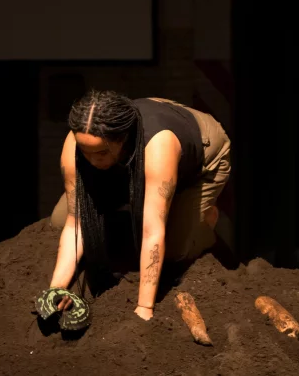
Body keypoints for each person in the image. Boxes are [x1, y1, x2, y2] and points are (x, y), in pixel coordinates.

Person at [46, 90, 231, 321]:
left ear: (122, 139)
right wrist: (56, 289)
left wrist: (144, 308)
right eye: (86, 154)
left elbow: (152, 231)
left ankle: (202, 220)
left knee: (176, 248)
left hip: (201, 155)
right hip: (136, 153)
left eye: (101, 153)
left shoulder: (158, 146)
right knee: (59, 219)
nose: (93, 161)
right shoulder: (78, 143)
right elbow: (76, 222)